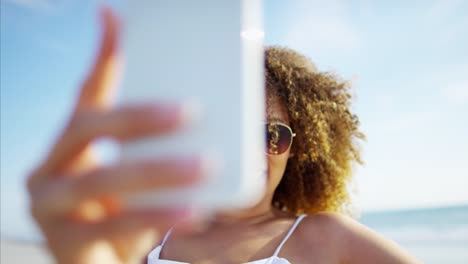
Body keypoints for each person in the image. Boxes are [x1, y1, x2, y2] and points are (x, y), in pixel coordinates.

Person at [27, 7, 420, 264]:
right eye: (234, 130)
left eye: (273, 135)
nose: (254, 152)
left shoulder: (329, 238)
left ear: (296, 151)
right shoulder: (145, 238)